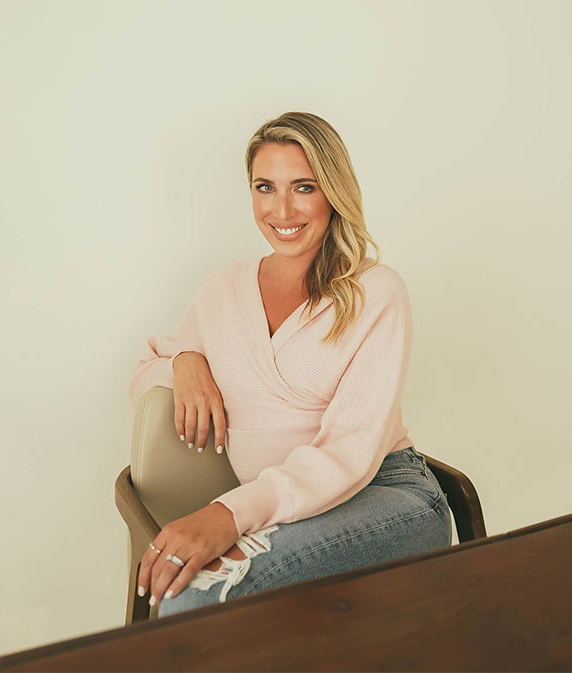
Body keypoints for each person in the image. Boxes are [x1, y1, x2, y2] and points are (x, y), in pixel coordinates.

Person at [127, 111, 452, 618]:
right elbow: (150, 368)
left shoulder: (374, 292)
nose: (282, 209)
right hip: (280, 512)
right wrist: (187, 362)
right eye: (265, 187)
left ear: (333, 193)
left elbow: (348, 451)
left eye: (304, 187)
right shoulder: (223, 288)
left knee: (196, 596)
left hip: (386, 495)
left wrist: (228, 514)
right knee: (181, 588)